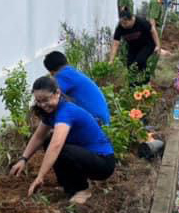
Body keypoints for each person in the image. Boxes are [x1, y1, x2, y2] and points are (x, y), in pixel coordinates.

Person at [11, 76, 116, 204]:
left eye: (46, 100)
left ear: (57, 93)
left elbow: (56, 145)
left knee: (60, 149)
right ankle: (69, 186)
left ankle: (82, 189)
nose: (43, 105)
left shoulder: (66, 111)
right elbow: (38, 136)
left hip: (103, 163)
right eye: (39, 101)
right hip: (87, 156)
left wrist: (40, 176)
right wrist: (23, 159)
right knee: (48, 140)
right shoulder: (52, 111)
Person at [44, 51, 111, 125]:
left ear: (51, 72)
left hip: (96, 122)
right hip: (103, 119)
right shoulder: (72, 72)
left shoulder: (63, 75)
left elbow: (50, 96)